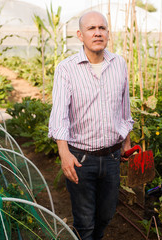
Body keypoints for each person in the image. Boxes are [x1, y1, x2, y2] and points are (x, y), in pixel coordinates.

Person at [48, 11, 134, 240]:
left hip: (112, 157)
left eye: (102, 28)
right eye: (91, 29)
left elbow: (124, 108)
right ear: (80, 35)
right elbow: (59, 115)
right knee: (84, 221)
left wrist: (126, 142)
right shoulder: (67, 69)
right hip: (81, 159)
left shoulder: (119, 64)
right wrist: (64, 153)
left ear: (108, 33)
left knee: (106, 215)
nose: (97, 33)